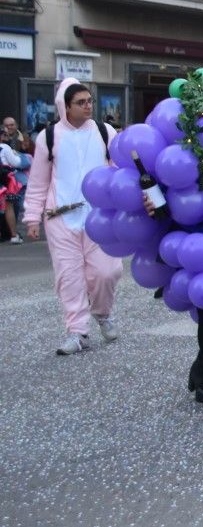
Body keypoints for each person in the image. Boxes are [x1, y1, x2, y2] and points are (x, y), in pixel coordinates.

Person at [23, 79, 121, 355]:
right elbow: (38, 182)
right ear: (65, 107)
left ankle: (102, 313)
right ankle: (77, 331)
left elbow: (118, 171)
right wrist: (31, 218)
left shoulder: (105, 132)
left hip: (99, 216)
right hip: (60, 217)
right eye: (81, 102)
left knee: (107, 271)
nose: (88, 106)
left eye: (90, 101)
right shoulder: (49, 137)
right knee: (70, 276)